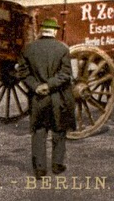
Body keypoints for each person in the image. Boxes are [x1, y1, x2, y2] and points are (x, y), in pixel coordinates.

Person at [18, 17, 74, 176]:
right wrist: (49, 85)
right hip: (57, 97)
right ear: (55, 31)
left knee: (39, 132)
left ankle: (40, 169)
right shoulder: (62, 49)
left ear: (42, 31)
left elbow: (22, 73)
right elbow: (65, 75)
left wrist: (36, 86)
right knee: (59, 131)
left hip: (38, 99)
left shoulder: (28, 49)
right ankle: (57, 165)